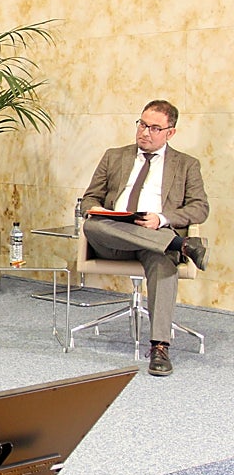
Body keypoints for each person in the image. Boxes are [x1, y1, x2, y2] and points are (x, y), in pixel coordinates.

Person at [81, 100, 209, 377]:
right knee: (92, 226)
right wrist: (102, 211)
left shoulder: (186, 164)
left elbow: (200, 208)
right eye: (141, 124)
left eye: (154, 127)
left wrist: (161, 219)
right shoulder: (114, 156)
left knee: (163, 265)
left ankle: (160, 346)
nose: (145, 132)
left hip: (155, 235)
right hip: (115, 239)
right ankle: (181, 245)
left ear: (170, 132)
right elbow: (89, 198)